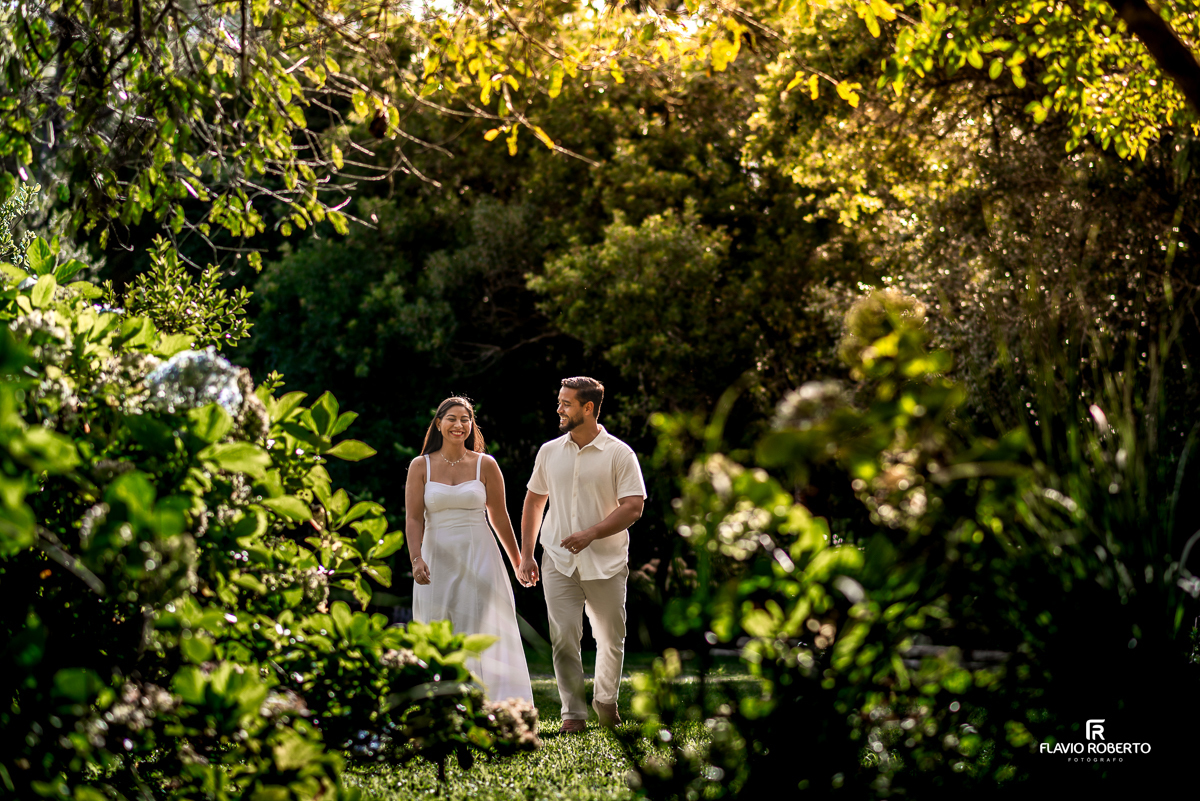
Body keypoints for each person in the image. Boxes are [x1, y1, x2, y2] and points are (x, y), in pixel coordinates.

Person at [518, 377, 646, 732]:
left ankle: (606, 701)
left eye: (566, 404)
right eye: (559, 402)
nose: (559, 409)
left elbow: (634, 506)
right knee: (563, 638)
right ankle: (572, 713)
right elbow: (534, 500)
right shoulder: (549, 452)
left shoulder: (620, 454)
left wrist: (592, 533)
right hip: (557, 561)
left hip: (606, 563)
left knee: (609, 638)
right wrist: (527, 554)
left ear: (588, 408)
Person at [406, 396, 533, 703]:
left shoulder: (485, 464)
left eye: (465, 419)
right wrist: (416, 558)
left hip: (480, 555)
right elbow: (412, 517)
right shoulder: (419, 465)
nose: (459, 425)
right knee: (439, 625)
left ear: (471, 425)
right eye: (452, 418)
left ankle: (496, 703)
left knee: (483, 624)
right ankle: (442, 705)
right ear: (438, 424)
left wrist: (518, 562)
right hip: (436, 557)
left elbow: (500, 517)